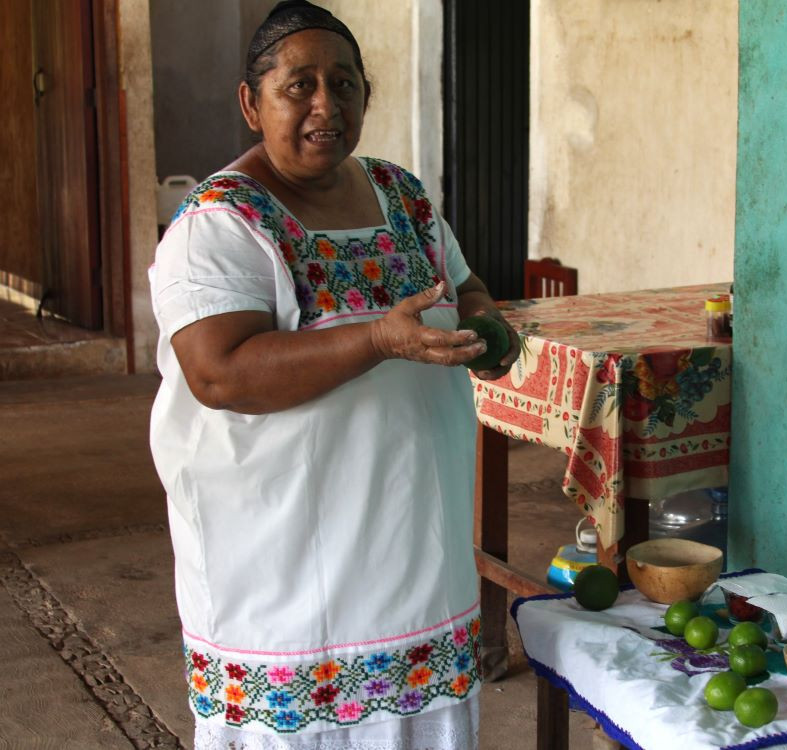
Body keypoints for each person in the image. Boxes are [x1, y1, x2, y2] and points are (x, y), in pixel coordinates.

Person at [148, 2, 519, 748]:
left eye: (345, 83)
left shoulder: (402, 196)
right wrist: (379, 338)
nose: (327, 104)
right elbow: (220, 374)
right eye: (300, 85)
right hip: (282, 565)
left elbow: (465, 284)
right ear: (251, 103)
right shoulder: (221, 223)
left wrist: (485, 326)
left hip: (414, 549)